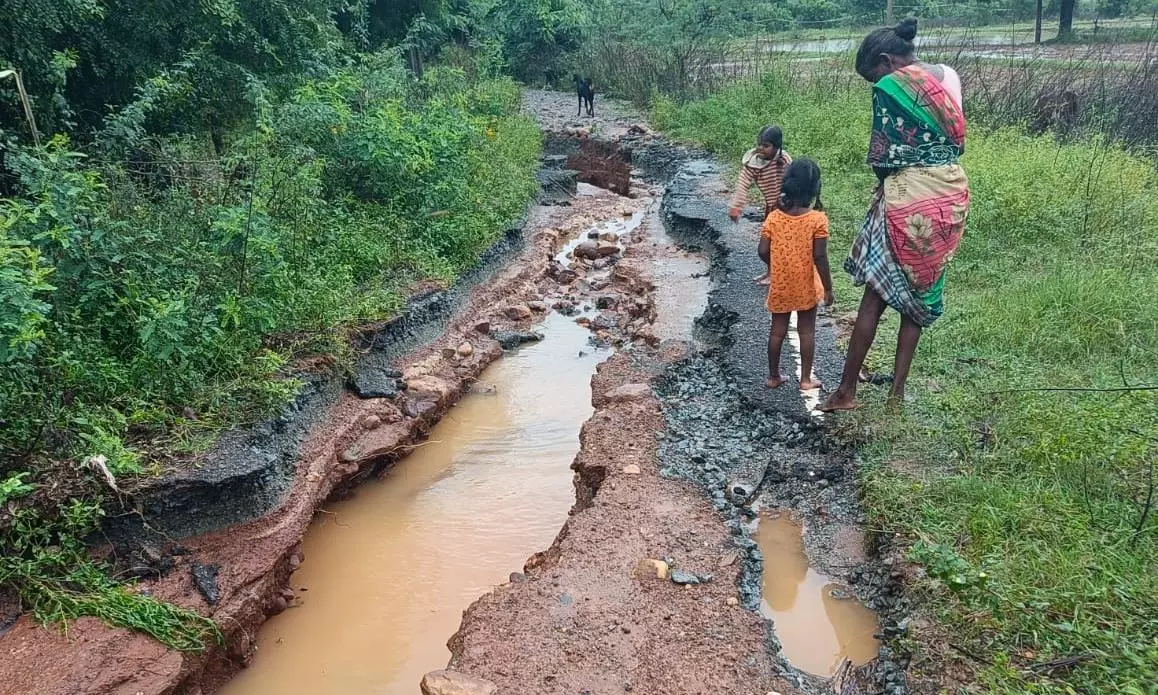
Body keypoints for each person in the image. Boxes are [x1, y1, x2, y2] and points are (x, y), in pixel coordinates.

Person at [821, 17, 969, 411]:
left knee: (874, 297)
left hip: (909, 199)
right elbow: (955, 143)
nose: (875, 85)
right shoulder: (948, 76)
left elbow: (882, 155)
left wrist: (892, 179)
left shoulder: (891, 85)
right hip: (951, 196)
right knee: (920, 295)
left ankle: (846, 392)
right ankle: (897, 394)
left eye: (873, 77)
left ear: (886, 62)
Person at [760, 158, 834, 391]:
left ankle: (773, 376)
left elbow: (762, 250)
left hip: (781, 284)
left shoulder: (774, 217)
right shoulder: (817, 220)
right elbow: (820, 257)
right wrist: (828, 287)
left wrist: (777, 266)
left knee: (777, 331)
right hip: (806, 286)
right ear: (815, 189)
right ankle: (805, 379)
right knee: (807, 330)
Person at [729, 125, 792, 285]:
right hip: (771, 208)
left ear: (776, 146)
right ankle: (771, 272)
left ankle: (777, 275)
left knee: (776, 245)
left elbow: (793, 182)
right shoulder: (753, 163)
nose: (761, 148)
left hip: (786, 208)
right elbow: (742, 184)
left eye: (766, 145)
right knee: (766, 247)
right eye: (759, 144)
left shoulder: (784, 160)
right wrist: (736, 207)